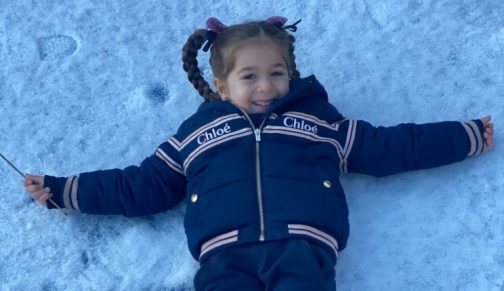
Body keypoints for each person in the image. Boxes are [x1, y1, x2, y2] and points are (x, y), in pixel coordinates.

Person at [23, 16, 494, 291]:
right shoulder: (197, 134)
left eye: (277, 73)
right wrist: (65, 190)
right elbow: (141, 184)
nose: (266, 86)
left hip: (302, 247)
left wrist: (466, 134)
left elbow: (393, 146)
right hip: (224, 255)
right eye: (250, 77)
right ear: (223, 86)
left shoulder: (319, 123)